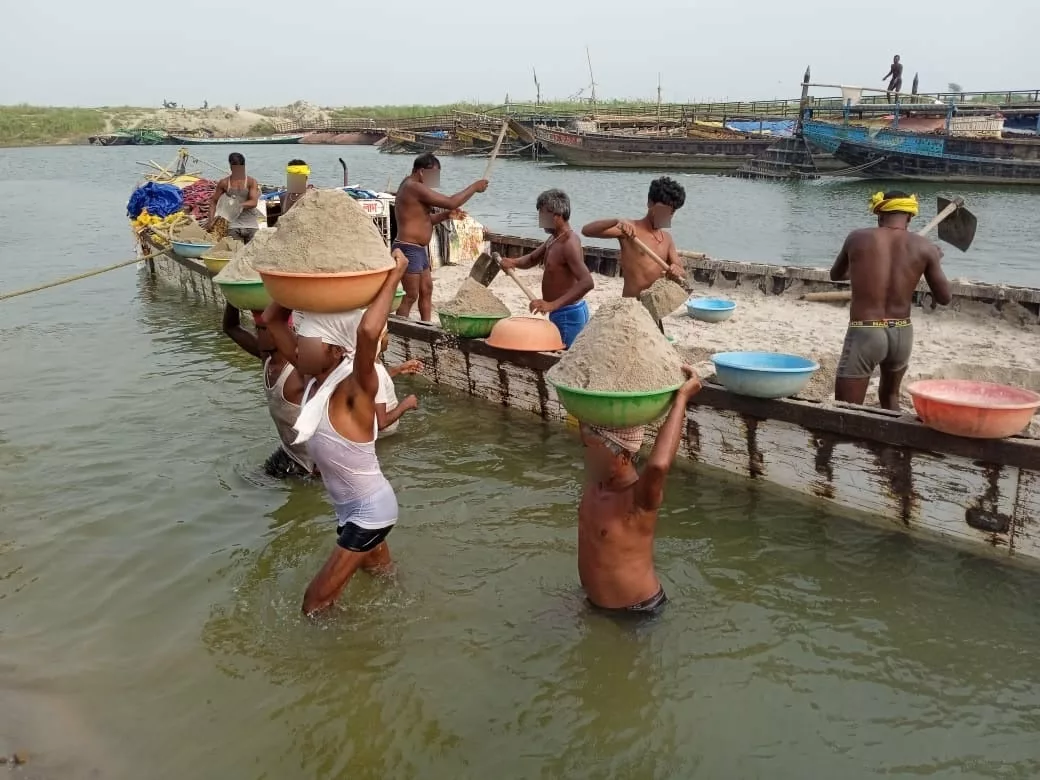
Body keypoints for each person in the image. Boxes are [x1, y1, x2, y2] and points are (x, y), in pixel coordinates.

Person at [264, 251, 409, 616]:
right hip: (349, 509)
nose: (298, 346)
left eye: (306, 341)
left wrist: (395, 274)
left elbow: (367, 331)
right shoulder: (316, 378)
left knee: (314, 604)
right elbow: (271, 319)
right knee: (383, 578)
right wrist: (294, 281)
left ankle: (341, 665)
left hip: (369, 512)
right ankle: (405, 623)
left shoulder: (355, 387)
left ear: (333, 350)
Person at [577, 366, 702, 617]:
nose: (587, 457)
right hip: (594, 603)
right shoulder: (596, 478)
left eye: (593, 450)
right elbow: (582, 414)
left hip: (636, 612)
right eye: (586, 447)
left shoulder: (639, 498)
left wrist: (681, 399)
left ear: (624, 456)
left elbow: (658, 465)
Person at [830, 191, 952, 410]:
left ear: (879, 215)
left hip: (866, 331)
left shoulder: (857, 237)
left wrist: (861, 270)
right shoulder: (925, 247)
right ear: (910, 217)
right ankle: (888, 445)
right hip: (902, 332)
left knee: (846, 410)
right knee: (890, 400)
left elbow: (836, 275)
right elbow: (944, 298)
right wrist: (933, 260)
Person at [221, 302, 315, 478]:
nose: (259, 335)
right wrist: (231, 298)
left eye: (264, 329)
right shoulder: (267, 360)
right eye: (258, 328)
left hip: (315, 463)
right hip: (291, 453)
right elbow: (231, 327)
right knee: (250, 481)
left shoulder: (300, 369)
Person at [580, 177, 687, 331]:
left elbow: (682, 272)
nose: (667, 216)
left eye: (671, 212)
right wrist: (616, 221)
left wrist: (676, 269)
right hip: (630, 308)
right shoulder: (630, 229)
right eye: (663, 210)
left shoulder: (667, 239)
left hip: (654, 311)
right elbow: (587, 231)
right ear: (650, 203)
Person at [393, 153, 488, 321]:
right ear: (421, 172)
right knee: (411, 295)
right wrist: (474, 187)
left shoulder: (414, 186)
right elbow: (452, 201)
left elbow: (424, 220)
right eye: (433, 176)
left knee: (426, 290)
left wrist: (445, 215)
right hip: (408, 248)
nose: (435, 181)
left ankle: (426, 324)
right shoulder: (413, 186)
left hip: (419, 249)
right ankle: (400, 327)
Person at [498, 189, 594, 348]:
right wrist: (513, 262)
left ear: (557, 216)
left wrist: (552, 305)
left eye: (542, 215)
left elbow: (587, 282)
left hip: (568, 315)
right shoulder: (554, 239)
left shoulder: (569, 243)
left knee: (563, 362)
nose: (539, 220)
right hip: (560, 313)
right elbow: (532, 259)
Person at [375, 325, 423, 437]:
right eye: (386, 334)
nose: (388, 338)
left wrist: (398, 369)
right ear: (379, 339)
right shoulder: (376, 372)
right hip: (383, 437)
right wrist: (405, 405)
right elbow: (380, 423)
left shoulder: (373, 362)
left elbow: (377, 382)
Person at [204, 152, 262, 243]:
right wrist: (210, 220)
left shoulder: (251, 182)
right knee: (234, 253)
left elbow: (254, 202)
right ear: (230, 166)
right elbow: (213, 201)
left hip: (251, 225)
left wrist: (237, 205)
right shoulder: (224, 183)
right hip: (233, 226)